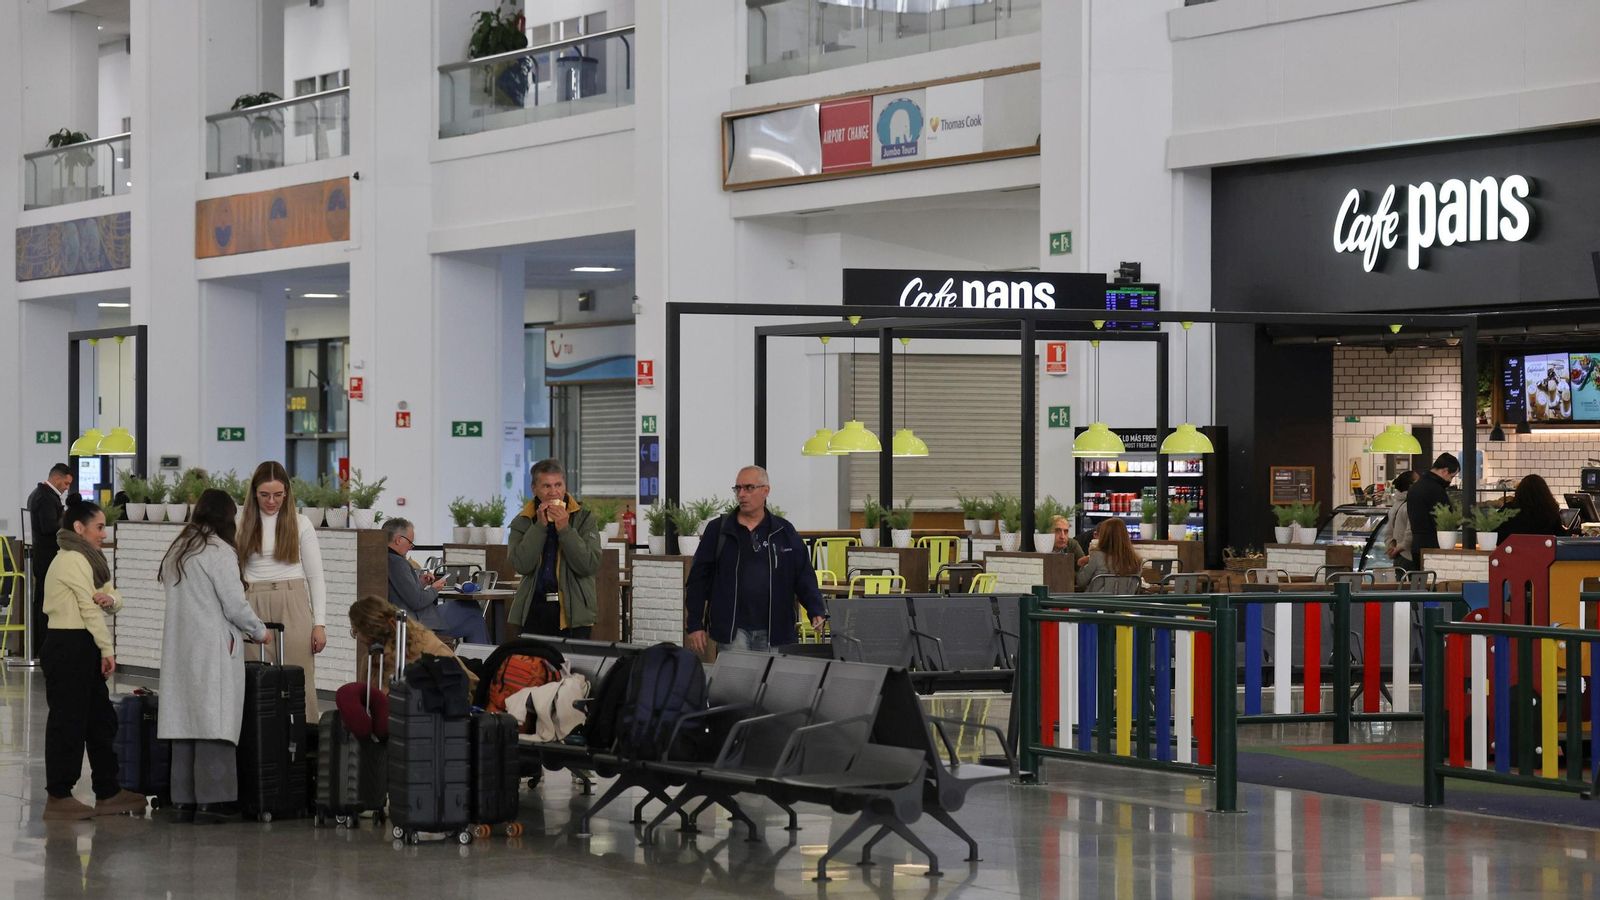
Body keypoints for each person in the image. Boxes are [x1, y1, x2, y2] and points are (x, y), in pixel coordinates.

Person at [156, 488, 270, 824]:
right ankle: (213, 801)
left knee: (184, 719)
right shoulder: (218, 551)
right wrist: (260, 630)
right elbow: (234, 605)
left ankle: (183, 800)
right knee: (213, 720)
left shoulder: (179, 547)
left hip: (180, 646)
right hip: (212, 646)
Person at [40, 498, 148, 820]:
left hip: (82, 644)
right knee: (68, 722)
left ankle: (108, 790)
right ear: (79, 528)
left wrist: (110, 598)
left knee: (100, 720)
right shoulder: (71, 560)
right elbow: (89, 609)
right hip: (67, 644)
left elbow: (113, 597)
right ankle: (58, 796)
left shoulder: (92, 559)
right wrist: (108, 649)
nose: (104, 533)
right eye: (99, 527)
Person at [685, 465, 827, 654]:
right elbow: (698, 580)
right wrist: (695, 624)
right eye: (738, 488)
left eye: (749, 488)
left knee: (769, 682)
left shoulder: (783, 531)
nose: (742, 494)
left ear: (766, 491)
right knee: (737, 683)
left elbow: (803, 575)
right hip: (732, 629)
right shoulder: (719, 530)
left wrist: (816, 609)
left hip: (775, 630)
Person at [236, 461, 327, 721]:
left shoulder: (301, 523)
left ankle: (305, 741)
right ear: (254, 493)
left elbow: (315, 576)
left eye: (278, 495)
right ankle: (259, 745)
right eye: (265, 495)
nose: (271, 501)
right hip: (252, 599)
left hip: (293, 598)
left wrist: (319, 623)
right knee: (256, 678)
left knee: (299, 677)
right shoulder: (241, 523)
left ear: (286, 492)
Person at [507, 459, 602, 639]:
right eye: (546, 486)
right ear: (534, 489)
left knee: (573, 666)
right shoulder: (523, 520)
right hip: (533, 609)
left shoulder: (584, 518)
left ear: (565, 485)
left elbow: (589, 565)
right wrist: (539, 527)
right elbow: (521, 565)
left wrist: (565, 529)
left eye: (558, 485)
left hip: (573, 612)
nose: (553, 492)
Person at [383, 517, 488, 644]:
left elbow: (403, 592)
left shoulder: (386, 558)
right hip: (416, 622)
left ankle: (478, 661)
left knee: (474, 615)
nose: (411, 547)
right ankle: (483, 661)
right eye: (410, 542)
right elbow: (417, 601)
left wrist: (420, 583)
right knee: (474, 614)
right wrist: (435, 589)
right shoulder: (398, 563)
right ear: (399, 540)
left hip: (405, 619)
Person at [347, 594, 478, 695]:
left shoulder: (424, 648)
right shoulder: (373, 655)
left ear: (372, 631)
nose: (357, 637)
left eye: (356, 631)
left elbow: (468, 684)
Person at [27, 463, 74, 632]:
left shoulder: (37, 494)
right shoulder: (46, 497)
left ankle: (39, 642)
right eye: (66, 483)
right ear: (56, 478)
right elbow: (49, 527)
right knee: (46, 601)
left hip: (42, 555)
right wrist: (67, 519)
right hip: (47, 557)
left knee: (42, 599)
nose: (67, 489)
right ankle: (43, 642)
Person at [1406, 453, 1460, 554]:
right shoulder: (1436, 489)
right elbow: (1447, 521)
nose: (1450, 481)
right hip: (1432, 546)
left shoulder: (1415, 486)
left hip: (1416, 545)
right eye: (1452, 477)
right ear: (1445, 471)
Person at [1075, 518, 1143, 591]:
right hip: (1125, 601)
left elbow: (1081, 582)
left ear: (1104, 536)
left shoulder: (1097, 555)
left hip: (1097, 601)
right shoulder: (1136, 560)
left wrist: (1082, 565)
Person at [1497, 473, 1566, 540]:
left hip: (1512, 550)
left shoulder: (1508, 510)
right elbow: (1561, 536)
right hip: (1543, 551)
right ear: (1545, 494)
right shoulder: (1551, 512)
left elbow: (1494, 531)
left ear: (1519, 492)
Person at [1384, 471, 1418, 571]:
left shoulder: (1395, 505)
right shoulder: (1411, 504)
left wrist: (1391, 548)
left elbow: (1388, 532)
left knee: (1400, 585)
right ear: (1411, 485)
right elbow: (1410, 532)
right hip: (1408, 556)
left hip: (1398, 556)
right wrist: (1400, 547)